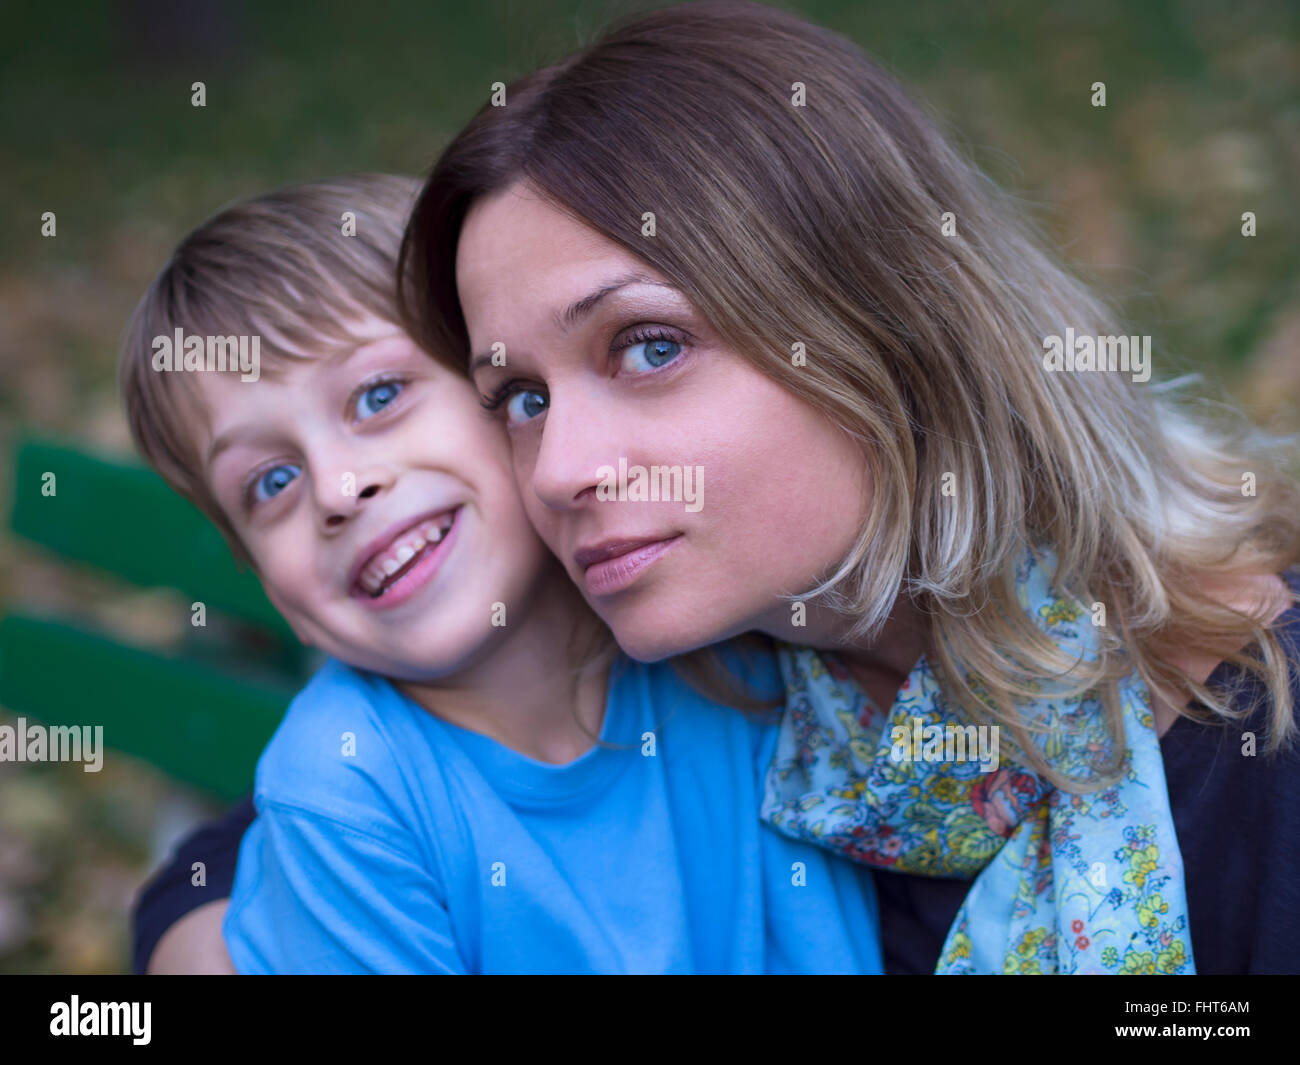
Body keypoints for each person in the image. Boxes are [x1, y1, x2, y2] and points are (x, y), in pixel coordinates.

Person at [397, 1, 1300, 973]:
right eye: (520, 397)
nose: (565, 471)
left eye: (649, 347)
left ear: (886, 324)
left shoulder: (1260, 754)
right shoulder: (697, 693)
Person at [120, 173, 883, 974]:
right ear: (266, 579)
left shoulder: (716, 630)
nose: (341, 489)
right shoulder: (346, 800)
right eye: (271, 483)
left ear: (511, 395)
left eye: (379, 395)